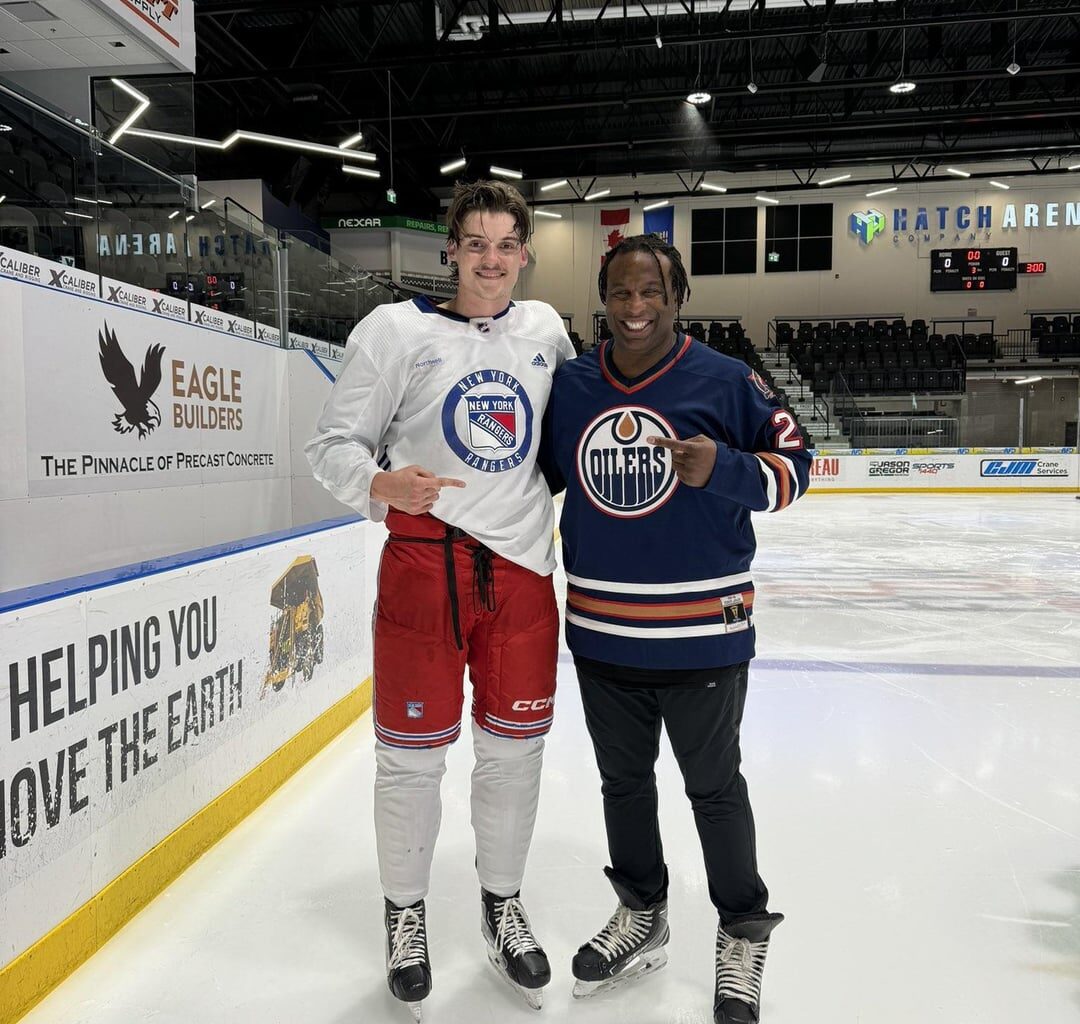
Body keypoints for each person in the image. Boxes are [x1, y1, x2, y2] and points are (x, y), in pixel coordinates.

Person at [306, 180, 575, 1021]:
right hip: (424, 571)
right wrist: (380, 481)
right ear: (450, 250)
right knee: (411, 760)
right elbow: (331, 445)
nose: (492, 261)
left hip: (524, 575)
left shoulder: (546, 331)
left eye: (507, 246)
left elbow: (572, 434)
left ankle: (501, 906)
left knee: (513, 754)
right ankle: (407, 916)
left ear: (525, 253)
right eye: (477, 244)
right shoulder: (394, 331)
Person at [539, 234, 811, 1024]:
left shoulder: (726, 381)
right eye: (620, 293)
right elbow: (536, 482)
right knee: (623, 787)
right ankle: (644, 911)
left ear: (677, 297)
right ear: (604, 298)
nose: (634, 308)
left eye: (650, 293)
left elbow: (799, 465)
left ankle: (740, 929)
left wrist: (723, 468)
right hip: (601, 633)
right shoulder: (573, 387)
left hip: (705, 635)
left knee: (713, 789)